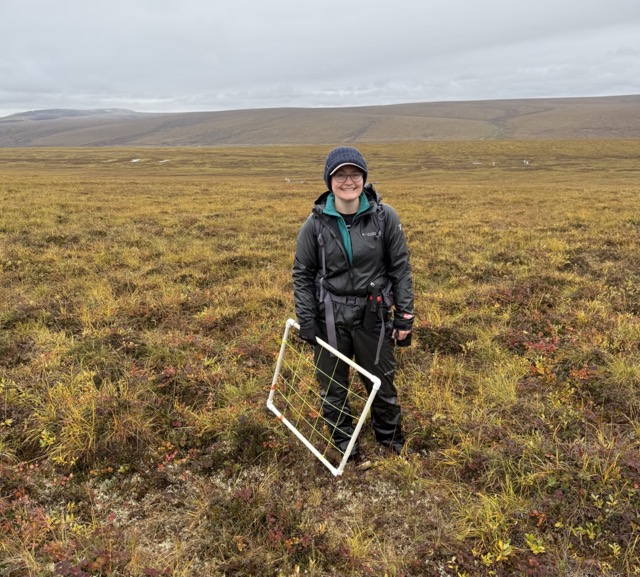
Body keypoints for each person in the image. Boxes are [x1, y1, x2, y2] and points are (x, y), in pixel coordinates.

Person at [292, 146, 414, 462]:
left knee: (381, 383)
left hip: (373, 316)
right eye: (341, 175)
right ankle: (346, 447)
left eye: (355, 174)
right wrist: (307, 320)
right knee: (333, 387)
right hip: (329, 317)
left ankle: (390, 442)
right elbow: (302, 273)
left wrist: (404, 315)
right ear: (329, 181)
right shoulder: (314, 224)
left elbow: (400, 267)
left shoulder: (385, 217)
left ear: (363, 177)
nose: (349, 181)